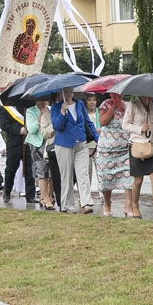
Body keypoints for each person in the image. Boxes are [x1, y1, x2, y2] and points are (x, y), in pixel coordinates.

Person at [51, 86, 99, 214]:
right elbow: (57, 126)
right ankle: (67, 205)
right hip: (64, 144)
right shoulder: (56, 108)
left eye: (71, 91)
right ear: (61, 93)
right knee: (67, 176)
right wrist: (62, 112)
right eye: (66, 91)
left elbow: (88, 123)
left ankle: (86, 203)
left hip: (81, 142)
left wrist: (97, 139)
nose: (69, 94)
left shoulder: (79, 104)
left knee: (83, 174)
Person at [95, 92, 133, 217]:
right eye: (115, 94)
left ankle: (128, 206)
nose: (118, 95)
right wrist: (114, 107)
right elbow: (102, 121)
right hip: (107, 150)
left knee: (129, 176)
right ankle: (107, 204)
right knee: (106, 177)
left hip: (125, 149)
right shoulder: (105, 104)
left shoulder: (128, 106)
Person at [0, 103, 38, 204]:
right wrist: (19, 130)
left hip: (28, 142)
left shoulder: (28, 104)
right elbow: (3, 124)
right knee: (11, 169)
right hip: (14, 143)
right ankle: (7, 192)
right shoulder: (6, 107)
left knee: (30, 169)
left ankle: (30, 195)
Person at [26, 100, 53, 210]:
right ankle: (45, 198)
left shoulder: (51, 109)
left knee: (51, 171)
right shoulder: (31, 111)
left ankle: (49, 196)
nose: (43, 101)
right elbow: (31, 129)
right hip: (37, 144)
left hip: (50, 142)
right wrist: (41, 115)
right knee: (42, 171)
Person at [84, 94, 101, 198]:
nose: (92, 102)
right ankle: (86, 196)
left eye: (94, 100)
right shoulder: (83, 113)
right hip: (86, 145)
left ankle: (103, 194)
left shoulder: (100, 112)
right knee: (87, 172)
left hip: (98, 145)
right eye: (89, 100)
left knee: (101, 171)